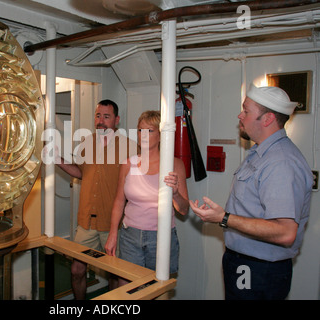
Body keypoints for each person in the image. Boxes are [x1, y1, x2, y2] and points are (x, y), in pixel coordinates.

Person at [189, 84, 313, 300]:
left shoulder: (280, 162)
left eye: (246, 111)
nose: (240, 115)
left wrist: (225, 218)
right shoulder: (260, 153)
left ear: (267, 119)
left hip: (259, 270)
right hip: (245, 262)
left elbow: (285, 232)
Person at [55, 99, 137, 299]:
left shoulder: (130, 147)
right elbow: (81, 172)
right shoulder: (86, 143)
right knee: (77, 270)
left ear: (116, 120)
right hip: (87, 222)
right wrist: (58, 160)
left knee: (115, 276)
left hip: (113, 224)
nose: (101, 121)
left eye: (106, 117)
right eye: (98, 116)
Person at [104, 110, 189, 284]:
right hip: (130, 235)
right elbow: (119, 202)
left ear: (160, 135)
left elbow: (183, 210)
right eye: (140, 130)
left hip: (161, 237)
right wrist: (113, 234)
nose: (143, 135)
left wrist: (175, 193)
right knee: (127, 287)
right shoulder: (129, 163)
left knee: (156, 288)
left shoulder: (174, 165)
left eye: (149, 131)